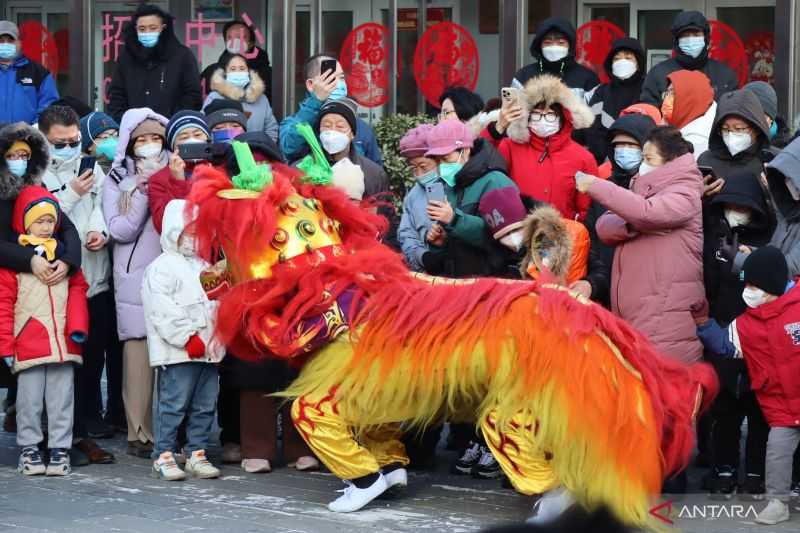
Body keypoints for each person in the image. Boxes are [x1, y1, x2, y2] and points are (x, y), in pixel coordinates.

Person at [577, 126, 704, 364]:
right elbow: (605, 226)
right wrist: (634, 224)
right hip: (637, 316)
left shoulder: (685, 191)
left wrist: (597, 185)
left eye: (648, 159)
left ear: (670, 162)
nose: (642, 165)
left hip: (664, 316)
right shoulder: (644, 190)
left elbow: (647, 213)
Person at [694, 246, 800, 525]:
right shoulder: (746, 323)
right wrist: (704, 323)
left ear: (772, 284)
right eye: (747, 284)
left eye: (754, 285)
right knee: (777, 452)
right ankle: (777, 501)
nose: (748, 290)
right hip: (780, 409)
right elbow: (726, 346)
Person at [39, 105, 118, 464]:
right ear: (44, 139)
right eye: (61, 142)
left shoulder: (92, 170)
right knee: (58, 365)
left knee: (91, 361)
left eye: (74, 142)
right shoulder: (35, 174)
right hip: (56, 283)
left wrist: (98, 231)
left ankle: (84, 431)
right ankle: (54, 435)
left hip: (95, 279)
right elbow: (40, 220)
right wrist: (70, 192)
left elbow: (104, 204)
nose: (69, 148)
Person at [0, 185, 88, 476]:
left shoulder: (65, 259)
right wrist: (5, 347)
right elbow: (4, 305)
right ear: (25, 223)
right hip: (29, 342)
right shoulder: (16, 263)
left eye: (51, 220)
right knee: (29, 401)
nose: (46, 227)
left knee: (62, 399)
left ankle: (59, 448)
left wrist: (77, 329)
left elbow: (78, 291)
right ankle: (29, 449)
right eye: (39, 221)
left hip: (64, 342)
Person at [701, 169, 773, 497]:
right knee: (725, 409)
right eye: (730, 205)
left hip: (762, 337)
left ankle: (755, 472)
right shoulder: (712, 236)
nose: (736, 211)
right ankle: (724, 468)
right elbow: (706, 285)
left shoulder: (767, 238)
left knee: (761, 410)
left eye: (743, 207)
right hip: (723, 333)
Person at [102, 108, 169, 459]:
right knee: (138, 359)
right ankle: (138, 433)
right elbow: (120, 229)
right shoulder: (116, 180)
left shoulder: (177, 171)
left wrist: (164, 182)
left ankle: (173, 432)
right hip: (133, 279)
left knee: (175, 357)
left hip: (171, 274)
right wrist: (144, 190)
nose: (148, 145)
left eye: (155, 138)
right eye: (140, 140)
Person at [143, 199, 224, 481]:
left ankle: (196, 452)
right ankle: (163, 453)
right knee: (173, 403)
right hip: (179, 352)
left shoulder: (205, 265)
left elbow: (215, 304)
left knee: (205, 405)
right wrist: (187, 337)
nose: (193, 237)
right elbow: (161, 309)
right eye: (187, 231)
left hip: (209, 351)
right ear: (173, 231)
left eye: (198, 231)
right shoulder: (162, 267)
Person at [482, 74, 597, 221]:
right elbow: (481, 162)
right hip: (516, 233)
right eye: (536, 114)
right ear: (527, 117)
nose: (543, 120)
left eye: (550, 114)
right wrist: (498, 127)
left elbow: (587, 209)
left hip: (563, 236)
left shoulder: (583, 158)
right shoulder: (510, 146)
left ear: (563, 119)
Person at [421, 119, 517, 280]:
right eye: (437, 160)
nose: (441, 166)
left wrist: (454, 219)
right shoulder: (448, 186)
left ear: (465, 150)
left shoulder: (495, 181)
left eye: (445, 158)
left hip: (491, 287)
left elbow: (508, 242)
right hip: (456, 286)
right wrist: (440, 243)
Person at [583, 113, 657, 307]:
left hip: (647, 297)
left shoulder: (660, 191)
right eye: (618, 145)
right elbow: (591, 242)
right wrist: (595, 282)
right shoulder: (603, 190)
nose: (624, 151)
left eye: (632, 145)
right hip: (606, 291)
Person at [279, 54, 382, 165]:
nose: (339, 83)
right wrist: (316, 102)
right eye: (331, 78)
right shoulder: (295, 123)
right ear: (310, 85)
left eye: (341, 78)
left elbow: (374, 172)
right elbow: (289, 148)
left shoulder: (359, 126)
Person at [107, 4, 201, 122]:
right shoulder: (126, 57)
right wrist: (125, 121)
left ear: (164, 28)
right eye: (142, 29)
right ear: (135, 29)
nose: (147, 32)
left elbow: (193, 96)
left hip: (171, 129)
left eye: (153, 28)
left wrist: (173, 122)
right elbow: (117, 95)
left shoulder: (182, 55)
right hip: (134, 130)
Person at [640, 11, 738, 106]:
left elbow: (732, 113)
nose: (691, 40)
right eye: (685, 35)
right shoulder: (658, 74)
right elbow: (650, 114)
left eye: (696, 35)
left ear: (706, 38)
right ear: (676, 41)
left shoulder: (724, 74)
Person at [698, 89, 771, 200]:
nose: (731, 135)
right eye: (725, 129)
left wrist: (771, 194)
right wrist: (699, 195)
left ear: (756, 128)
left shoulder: (769, 162)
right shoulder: (706, 160)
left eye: (739, 129)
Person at [148, 110, 212, 233]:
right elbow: (162, 225)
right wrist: (177, 182)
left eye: (198, 135)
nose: (192, 140)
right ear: (174, 146)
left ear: (208, 138)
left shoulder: (221, 168)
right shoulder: (158, 179)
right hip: (182, 246)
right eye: (184, 137)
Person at [312, 98, 389, 198]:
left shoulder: (373, 174)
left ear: (352, 134)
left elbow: (382, 210)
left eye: (340, 126)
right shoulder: (303, 170)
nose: (332, 131)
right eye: (326, 126)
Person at [585, 38, 646, 164]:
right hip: (604, 162)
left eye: (628, 58)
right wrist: (607, 155)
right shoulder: (602, 92)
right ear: (610, 64)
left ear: (638, 63)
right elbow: (591, 127)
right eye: (617, 58)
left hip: (643, 159)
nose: (622, 62)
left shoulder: (647, 89)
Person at [512, 17, 599, 100]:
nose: (554, 47)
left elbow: (596, 113)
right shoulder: (523, 75)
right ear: (539, 46)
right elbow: (512, 110)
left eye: (561, 42)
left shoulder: (588, 78)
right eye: (547, 42)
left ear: (570, 46)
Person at [203, 53, 278, 141]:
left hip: (256, 151)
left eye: (242, 69)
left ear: (249, 72)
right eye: (232, 69)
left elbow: (271, 130)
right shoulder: (214, 98)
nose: (237, 72)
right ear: (226, 73)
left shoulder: (262, 99)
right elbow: (204, 128)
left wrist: (263, 149)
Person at [0, 21, 59, 125]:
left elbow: (50, 105)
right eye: (1, 41)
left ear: (19, 43)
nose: (5, 44)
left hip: (27, 138)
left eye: (10, 40)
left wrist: (34, 130)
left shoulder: (37, 72)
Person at [397, 124, 438, 272]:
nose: (419, 174)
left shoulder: (456, 186)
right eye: (414, 169)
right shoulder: (413, 196)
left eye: (424, 166)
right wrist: (422, 256)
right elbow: (406, 234)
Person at [200, 19, 272, 102]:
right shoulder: (211, 72)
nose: (235, 41)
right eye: (229, 37)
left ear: (251, 43)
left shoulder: (268, 74)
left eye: (240, 37)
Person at [763, 138, 800, 277]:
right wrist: (750, 252)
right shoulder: (789, 212)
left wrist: (741, 261)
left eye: (794, 176)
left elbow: (788, 268)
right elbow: (776, 252)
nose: (788, 182)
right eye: (784, 177)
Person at [661, 70, 717, 158]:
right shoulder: (685, 121)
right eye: (667, 94)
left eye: (673, 94)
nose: (666, 100)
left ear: (690, 98)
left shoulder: (697, 141)